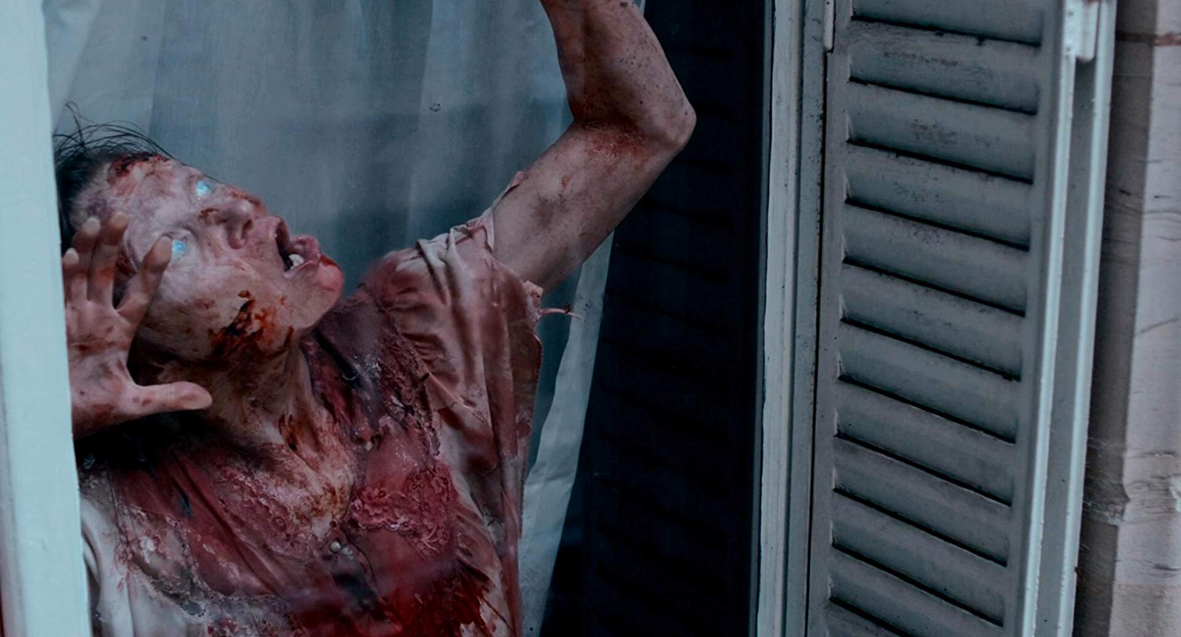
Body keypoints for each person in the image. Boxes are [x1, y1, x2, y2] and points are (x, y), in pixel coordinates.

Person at [58, 1, 693, 635]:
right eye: (177, 245)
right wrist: (51, 428)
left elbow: (640, 128)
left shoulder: (418, 342)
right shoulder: (98, 529)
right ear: (137, 346)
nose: (234, 208)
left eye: (201, 186)